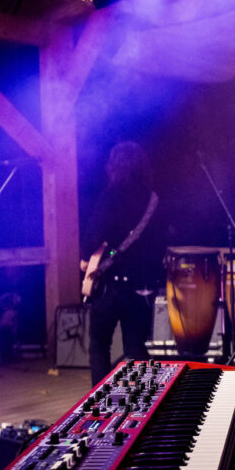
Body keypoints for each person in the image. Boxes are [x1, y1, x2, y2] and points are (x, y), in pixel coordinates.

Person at [80, 141, 165, 387]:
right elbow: (161, 242)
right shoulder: (153, 201)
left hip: (109, 286)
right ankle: (148, 402)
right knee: (136, 348)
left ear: (114, 166)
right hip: (141, 287)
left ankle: (100, 404)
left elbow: (93, 235)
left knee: (99, 346)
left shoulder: (110, 195)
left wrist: (87, 259)